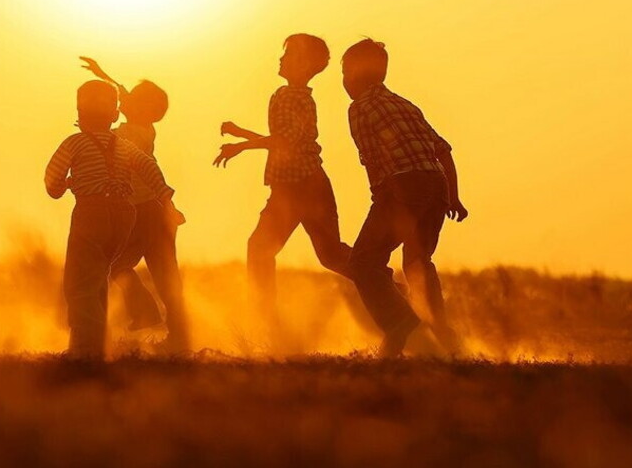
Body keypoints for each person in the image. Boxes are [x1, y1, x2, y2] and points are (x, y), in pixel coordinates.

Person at [214, 34, 352, 333]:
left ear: (304, 65)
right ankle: (382, 280)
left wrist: (240, 146)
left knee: (262, 250)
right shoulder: (288, 94)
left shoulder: (294, 97)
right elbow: (283, 141)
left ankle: (264, 322)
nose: (281, 59)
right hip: (300, 186)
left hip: (301, 187)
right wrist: (242, 135)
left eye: (288, 54)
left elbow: (285, 141)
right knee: (331, 255)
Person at [341, 38, 468, 357]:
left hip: (401, 187)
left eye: (344, 72)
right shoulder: (405, 104)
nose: (343, 80)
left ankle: (401, 326)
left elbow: (373, 159)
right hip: (435, 184)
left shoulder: (360, 108)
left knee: (363, 262)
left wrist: (382, 200)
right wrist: (453, 196)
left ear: (356, 73)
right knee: (418, 262)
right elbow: (443, 151)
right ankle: (442, 332)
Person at [44, 80, 175, 359]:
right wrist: (166, 199)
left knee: (80, 283)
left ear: (78, 113)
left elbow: (52, 180)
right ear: (115, 115)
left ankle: (85, 349)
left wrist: (62, 187)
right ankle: (97, 343)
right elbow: (149, 167)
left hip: (91, 212)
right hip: (124, 215)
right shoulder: (123, 144)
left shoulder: (74, 142)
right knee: (99, 277)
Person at [79, 56, 191, 352]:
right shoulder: (144, 124)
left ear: (144, 110)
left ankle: (144, 311)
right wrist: (104, 74)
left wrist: (91, 130)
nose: (121, 101)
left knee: (115, 265)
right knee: (167, 276)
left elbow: (107, 140)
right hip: (157, 210)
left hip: (143, 212)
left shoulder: (130, 134)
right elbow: (124, 91)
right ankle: (180, 336)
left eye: (129, 100)